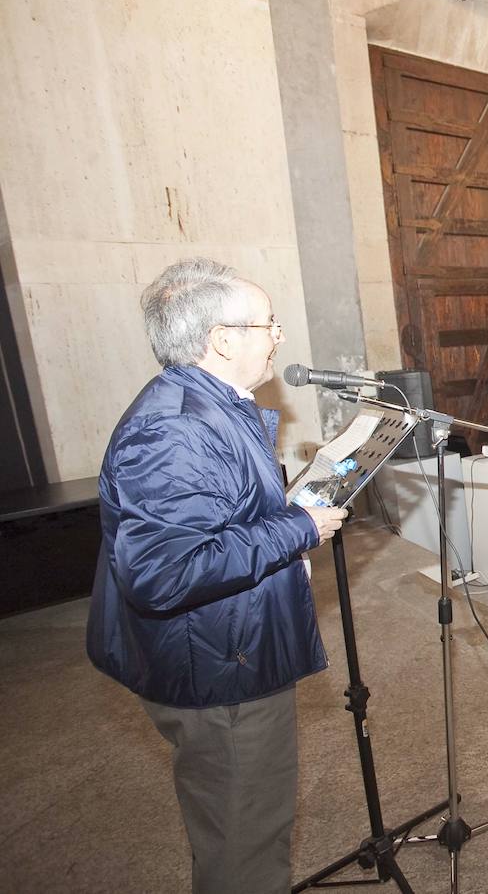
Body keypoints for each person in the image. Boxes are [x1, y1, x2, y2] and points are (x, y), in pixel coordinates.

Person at [87, 258, 349, 893]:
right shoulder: (177, 428)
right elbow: (164, 571)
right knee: (244, 844)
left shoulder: (217, 404)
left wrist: (289, 514)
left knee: (243, 827)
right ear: (223, 338)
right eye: (269, 325)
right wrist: (298, 530)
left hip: (229, 648)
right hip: (219, 671)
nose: (278, 338)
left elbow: (223, 514)